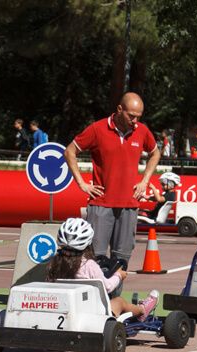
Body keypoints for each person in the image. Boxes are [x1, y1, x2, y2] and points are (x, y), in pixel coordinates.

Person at [65, 92, 161, 267]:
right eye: (131, 116)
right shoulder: (97, 129)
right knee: (94, 260)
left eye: (138, 117)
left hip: (129, 205)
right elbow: (70, 151)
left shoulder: (142, 131)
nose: (135, 121)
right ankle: (96, 294)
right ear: (119, 109)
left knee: (121, 261)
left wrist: (145, 181)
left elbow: (155, 153)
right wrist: (82, 183)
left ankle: (115, 295)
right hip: (101, 204)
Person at [46, 218, 159, 320]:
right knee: (120, 301)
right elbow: (107, 287)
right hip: (94, 312)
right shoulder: (89, 265)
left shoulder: (55, 262)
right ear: (88, 242)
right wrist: (119, 275)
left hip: (65, 309)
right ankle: (142, 310)